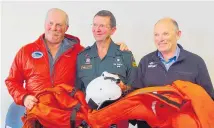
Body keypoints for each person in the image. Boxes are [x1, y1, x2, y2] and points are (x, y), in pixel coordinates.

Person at [5, 8, 128, 127]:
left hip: (68, 119)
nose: (54, 28)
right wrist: (24, 97)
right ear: (44, 24)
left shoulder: (80, 53)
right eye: (50, 23)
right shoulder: (26, 52)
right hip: (36, 117)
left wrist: (113, 47)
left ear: (66, 28)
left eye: (59, 24)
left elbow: (97, 75)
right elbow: (12, 81)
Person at [133, 17, 214, 128]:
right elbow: (135, 96)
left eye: (165, 34)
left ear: (178, 34)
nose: (160, 39)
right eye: (156, 35)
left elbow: (208, 98)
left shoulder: (196, 62)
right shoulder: (145, 61)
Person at [76, 10, 137, 128]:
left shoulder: (125, 55)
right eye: (94, 25)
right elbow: (77, 90)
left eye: (102, 26)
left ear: (113, 30)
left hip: (117, 121)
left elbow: (135, 87)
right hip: (88, 121)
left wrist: (125, 88)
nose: (97, 29)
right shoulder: (82, 56)